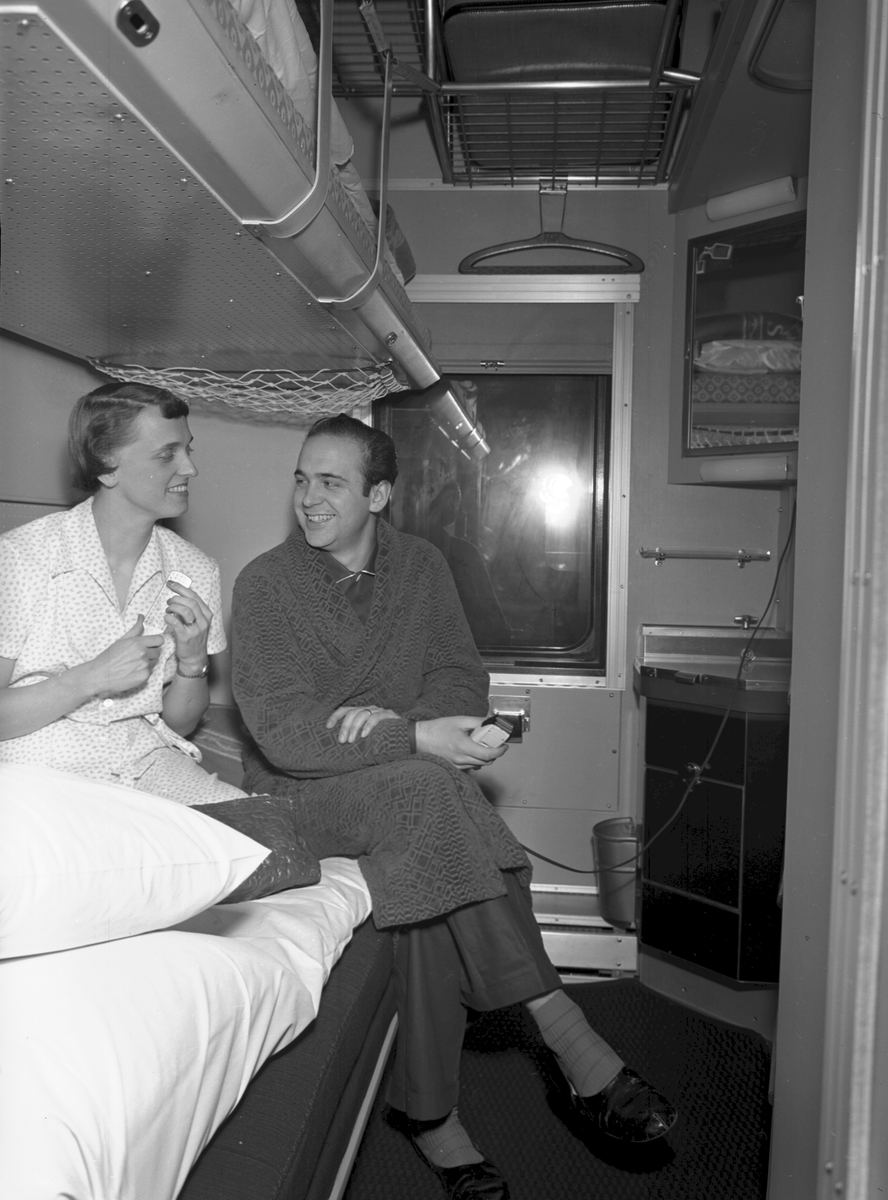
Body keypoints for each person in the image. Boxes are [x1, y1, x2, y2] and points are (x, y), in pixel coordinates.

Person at [231, 414, 677, 1200]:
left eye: (330, 481)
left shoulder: (422, 567)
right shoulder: (265, 584)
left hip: (400, 783)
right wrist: (409, 736)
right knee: (428, 788)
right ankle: (569, 1039)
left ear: (379, 494)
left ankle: (431, 1115)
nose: (308, 498)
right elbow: (283, 733)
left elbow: (459, 675)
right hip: (303, 791)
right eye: (301, 479)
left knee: (425, 860)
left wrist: (406, 724)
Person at [0, 381, 244, 804]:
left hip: (146, 763)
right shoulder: (21, 558)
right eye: (167, 454)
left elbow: (180, 724)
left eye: (188, 449)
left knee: (264, 835)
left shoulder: (196, 570)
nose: (189, 468)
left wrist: (192, 661)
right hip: (42, 767)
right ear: (106, 466)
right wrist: (91, 678)